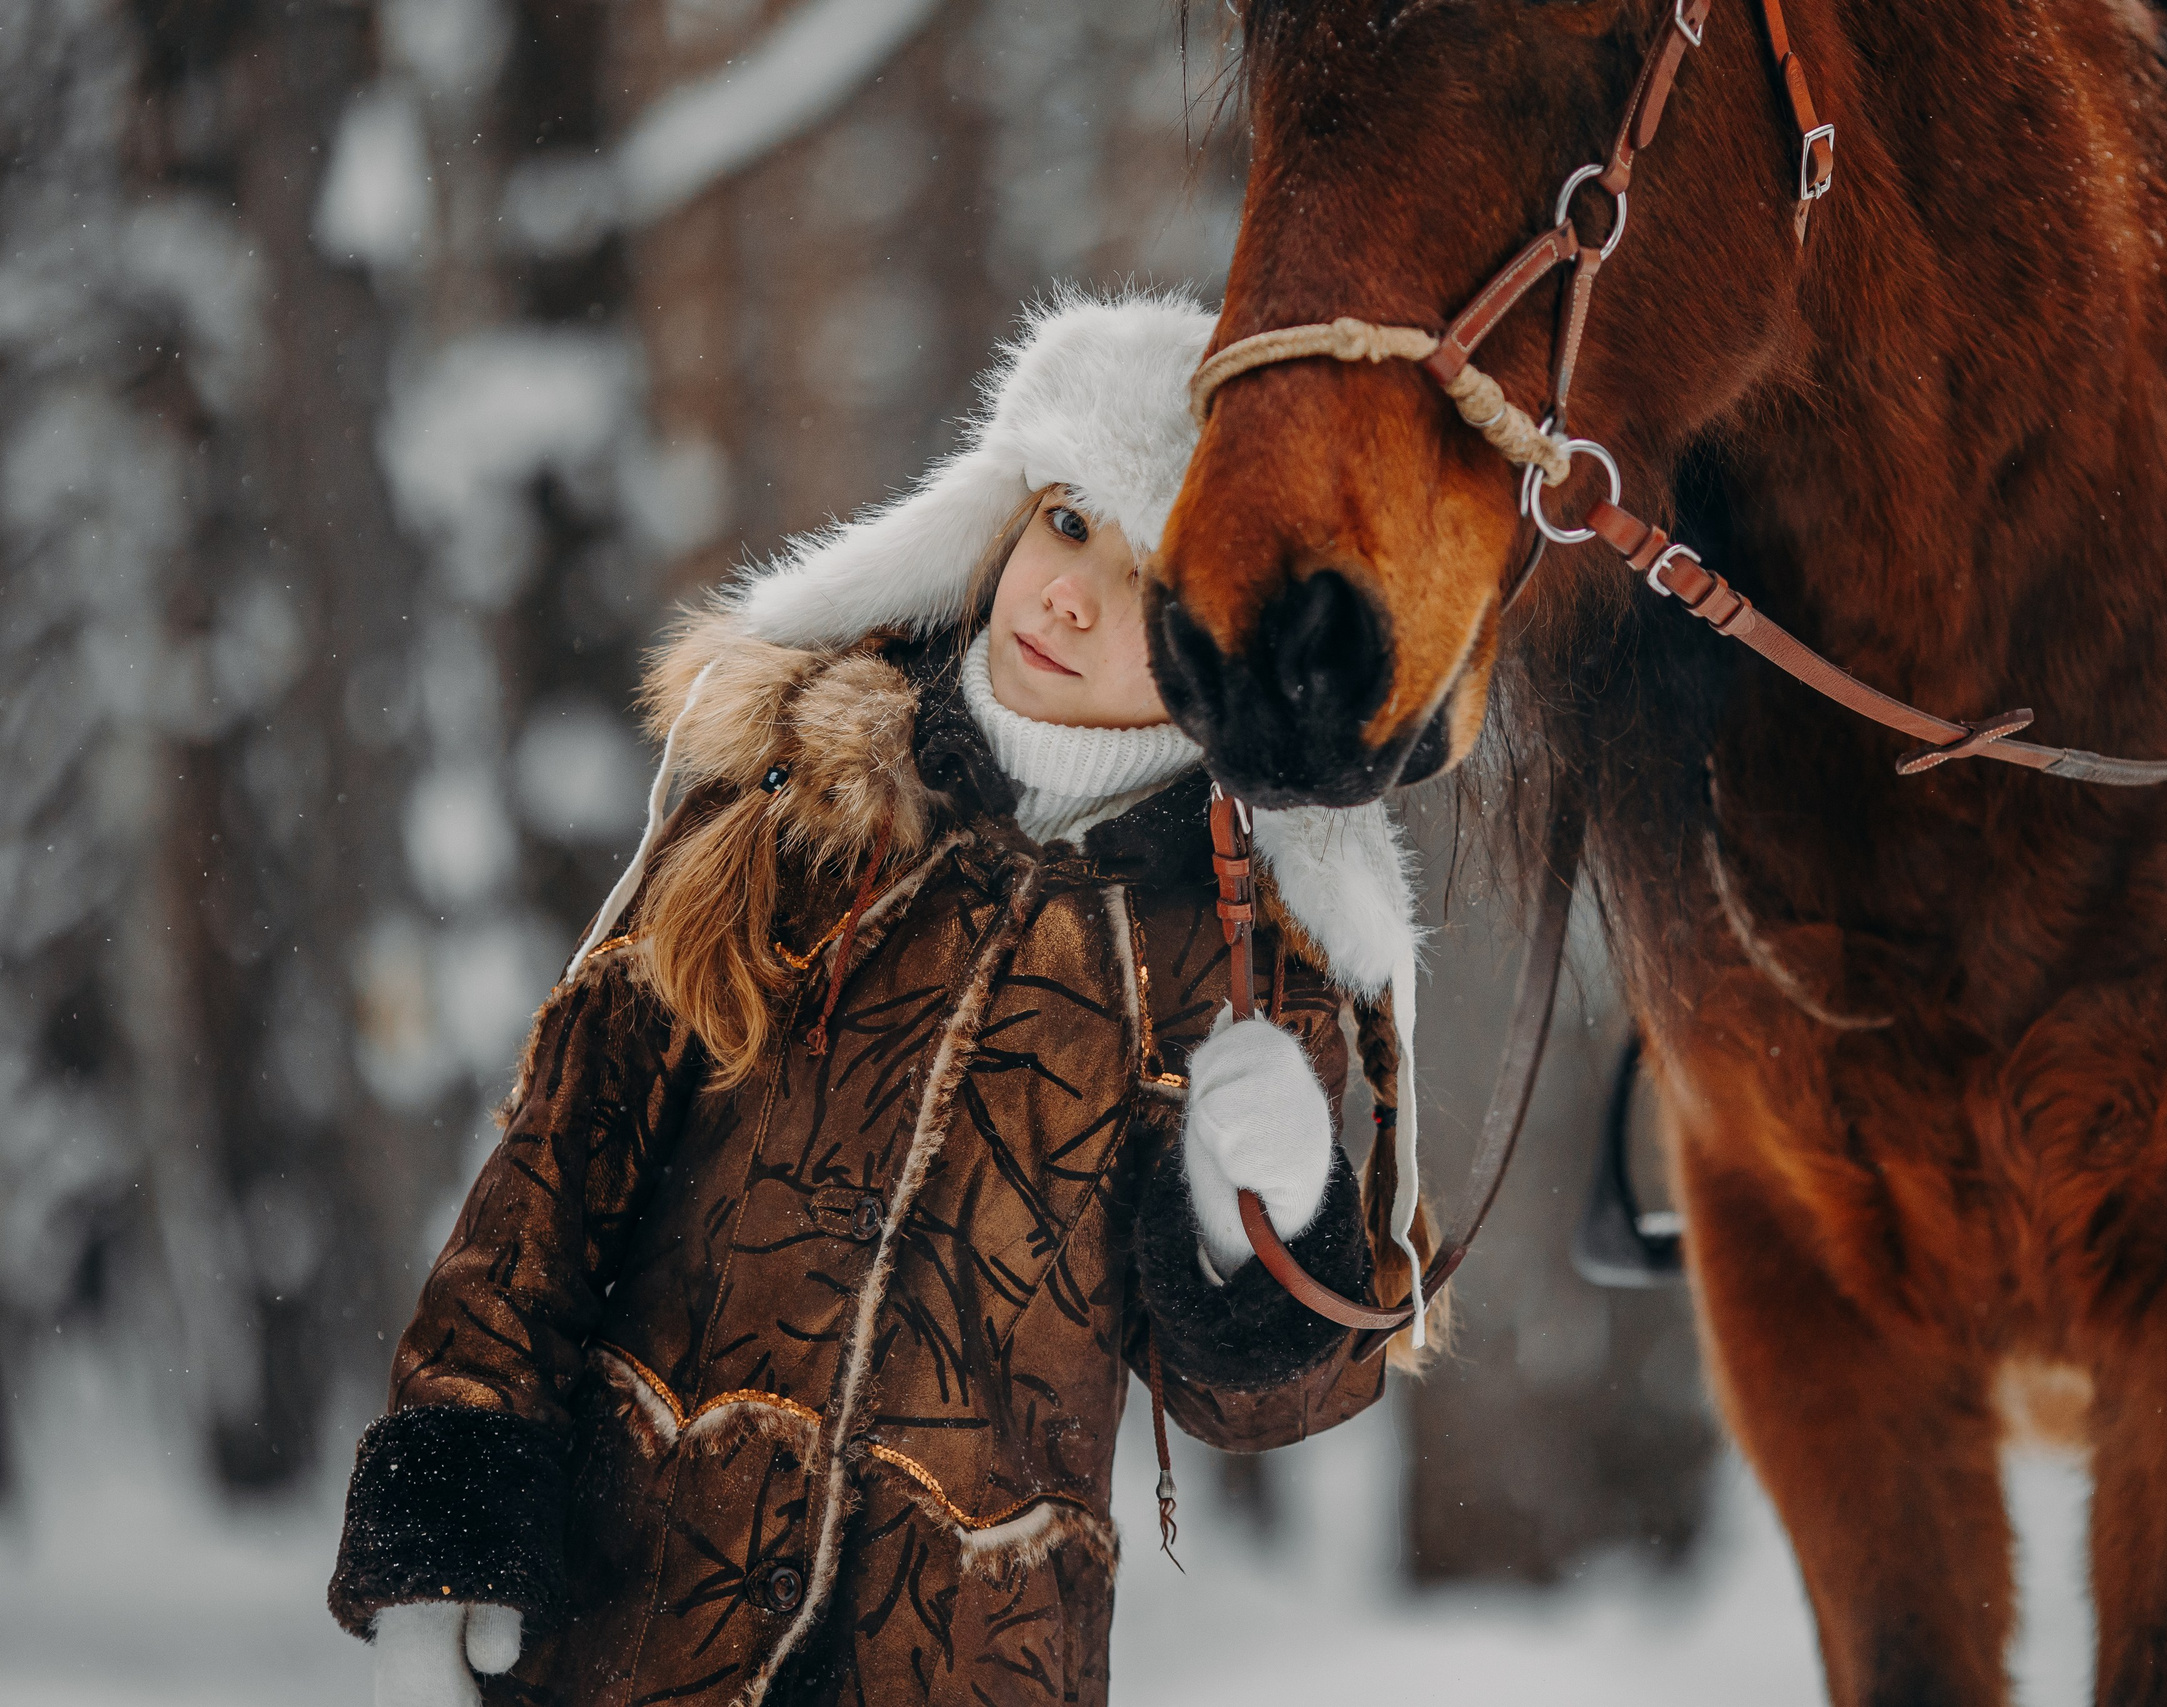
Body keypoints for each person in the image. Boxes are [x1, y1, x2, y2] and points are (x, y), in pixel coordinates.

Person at [325, 291, 1429, 1707]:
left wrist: (1256, 1215)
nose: (1071, 595)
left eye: (1155, 581)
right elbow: (557, 1165)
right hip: (633, 1618)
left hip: (969, 1658)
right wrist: (443, 1530)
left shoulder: (1235, 965)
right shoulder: (801, 795)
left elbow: (1250, 1399)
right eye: (1068, 521)